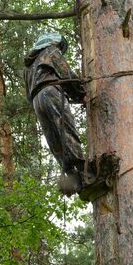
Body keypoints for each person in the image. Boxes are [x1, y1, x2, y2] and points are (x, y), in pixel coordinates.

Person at [24, 30, 87, 195]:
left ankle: (73, 178)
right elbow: (66, 74)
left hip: (36, 101)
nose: (59, 48)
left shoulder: (29, 66)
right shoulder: (51, 50)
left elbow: (27, 93)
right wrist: (82, 93)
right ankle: (84, 170)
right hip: (51, 91)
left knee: (54, 140)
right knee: (65, 129)